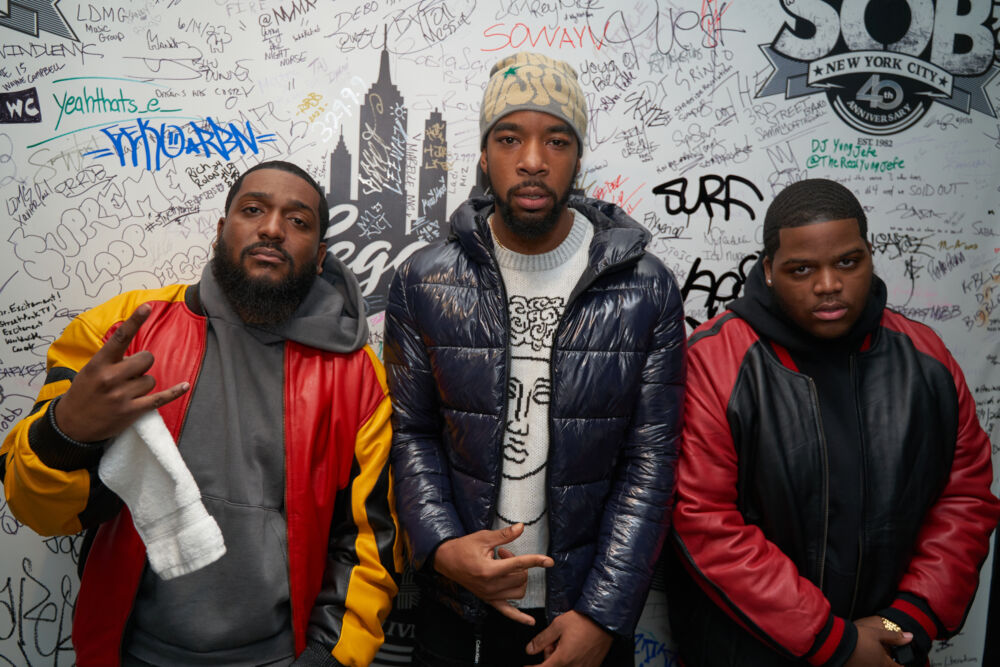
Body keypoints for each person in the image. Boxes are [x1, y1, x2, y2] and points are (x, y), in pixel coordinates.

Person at [1, 161, 401, 666]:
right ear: (220, 229)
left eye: (298, 220)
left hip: (279, 656)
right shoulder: (122, 334)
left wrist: (328, 656)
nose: (272, 228)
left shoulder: (356, 377)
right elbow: (37, 512)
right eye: (252, 210)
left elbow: (368, 542)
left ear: (320, 257)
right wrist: (66, 434)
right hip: (129, 653)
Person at [384, 52, 685, 667]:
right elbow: (412, 433)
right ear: (484, 153)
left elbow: (650, 461)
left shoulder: (644, 287)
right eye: (509, 138)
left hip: (583, 619)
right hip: (458, 612)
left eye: (556, 140)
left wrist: (602, 614)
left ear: (577, 156)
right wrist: (442, 548)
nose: (531, 160)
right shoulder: (424, 280)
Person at [669, 178, 1000, 667]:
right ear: (768, 270)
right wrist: (834, 642)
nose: (828, 285)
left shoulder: (926, 359)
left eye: (848, 262)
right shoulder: (715, 363)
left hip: (888, 650)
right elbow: (704, 521)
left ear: (870, 256)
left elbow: (964, 501)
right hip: (748, 653)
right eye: (801, 269)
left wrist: (901, 625)